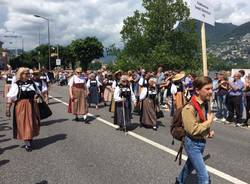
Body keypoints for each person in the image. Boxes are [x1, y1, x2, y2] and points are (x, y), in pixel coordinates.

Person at [176, 76, 215, 184]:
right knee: (204, 177)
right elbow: (192, 130)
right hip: (192, 143)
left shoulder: (204, 103)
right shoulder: (189, 108)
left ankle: (179, 181)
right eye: (207, 89)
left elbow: (200, 122)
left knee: (189, 167)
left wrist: (207, 132)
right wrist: (209, 122)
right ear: (197, 90)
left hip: (201, 141)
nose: (211, 91)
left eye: (211, 88)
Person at [6, 67, 41, 152]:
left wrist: (37, 97)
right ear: (21, 75)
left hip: (32, 106)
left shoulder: (32, 83)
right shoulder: (16, 84)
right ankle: (27, 143)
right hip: (21, 106)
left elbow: (38, 93)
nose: (28, 75)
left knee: (33, 123)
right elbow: (10, 97)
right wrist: (8, 109)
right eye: (26, 73)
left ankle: (29, 138)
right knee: (25, 124)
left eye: (29, 73)